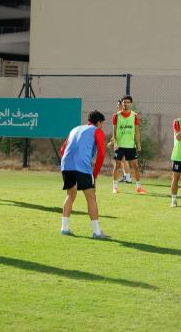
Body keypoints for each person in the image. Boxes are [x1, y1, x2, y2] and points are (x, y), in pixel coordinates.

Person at [59, 110, 109, 239]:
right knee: (91, 197)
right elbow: (102, 154)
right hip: (82, 166)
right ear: (99, 122)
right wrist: (95, 173)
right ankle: (97, 232)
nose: (102, 126)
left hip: (66, 165)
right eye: (102, 124)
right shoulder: (97, 131)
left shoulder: (75, 129)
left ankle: (64, 228)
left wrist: (68, 164)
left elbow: (62, 150)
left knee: (70, 194)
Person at [111, 95, 146, 194]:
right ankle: (114, 187)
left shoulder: (134, 115)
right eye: (124, 102)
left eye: (127, 102)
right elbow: (114, 131)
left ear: (130, 103)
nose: (125, 104)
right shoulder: (116, 116)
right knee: (117, 166)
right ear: (121, 104)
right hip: (120, 145)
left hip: (131, 146)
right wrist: (115, 143)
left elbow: (137, 131)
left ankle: (139, 187)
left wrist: (138, 143)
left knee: (136, 166)